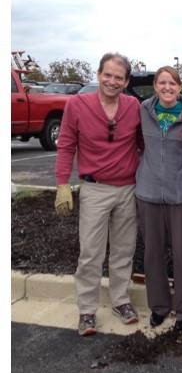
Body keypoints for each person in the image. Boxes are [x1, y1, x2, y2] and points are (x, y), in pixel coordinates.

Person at [54, 52, 143, 337]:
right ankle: (87, 310)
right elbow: (66, 144)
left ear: (126, 81)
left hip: (128, 189)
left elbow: (144, 145)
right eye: (108, 75)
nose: (112, 81)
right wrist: (62, 184)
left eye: (119, 77)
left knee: (123, 251)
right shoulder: (77, 105)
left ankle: (120, 301)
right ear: (98, 75)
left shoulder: (133, 107)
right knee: (90, 252)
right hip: (94, 189)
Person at [135, 65, 182, 330]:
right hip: (148, 194)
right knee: (152, 253)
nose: (167, 88)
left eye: (172, 83)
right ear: (154, 86)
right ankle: (159, 307)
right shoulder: (144, 110)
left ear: (179, 87)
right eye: (162, 83)